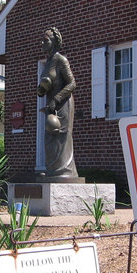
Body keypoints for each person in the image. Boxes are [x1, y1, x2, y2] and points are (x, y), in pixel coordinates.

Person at [37, 27, 78, 178]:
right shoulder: (47, 62)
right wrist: (42, 89)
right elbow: (46, 85)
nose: (42, 43)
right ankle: (52, 170)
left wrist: (57, 98)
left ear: (53, 42)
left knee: (61, 137)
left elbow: (72, 83)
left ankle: (64, 172)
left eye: (45, 40)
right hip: (51, 105)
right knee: (49, 138)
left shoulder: (61, 60)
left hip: (63, 103)